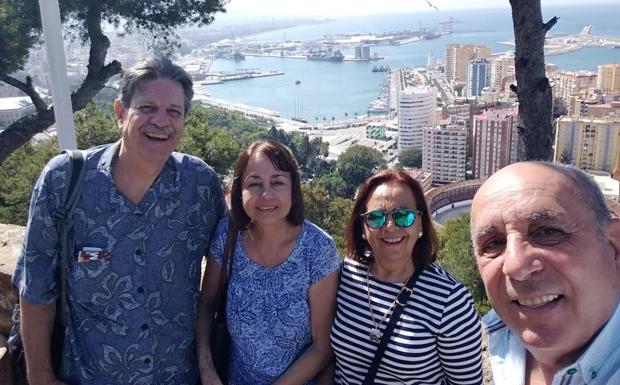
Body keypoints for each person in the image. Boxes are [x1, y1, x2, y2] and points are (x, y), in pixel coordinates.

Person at [11, 57, 227, 385]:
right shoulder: (65, 181)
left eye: (174, 111)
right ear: (120, 113)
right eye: (147, 108)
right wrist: (40, 376)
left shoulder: (200, 185)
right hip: (88, 375)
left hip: (176, 376)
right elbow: (35, 286)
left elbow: (235, 255)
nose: (161, 121)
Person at [196, 140, 340, 385]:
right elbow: (207, 303)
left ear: (293, 188)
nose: (266, 195)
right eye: (254, 183)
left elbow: (321, 346)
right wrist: (207, 368)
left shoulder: (317, 250)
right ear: (240, 189)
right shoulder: (227, 235)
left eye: (277, 182)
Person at [470, 162, 620, 385]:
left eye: (548, 232)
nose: (515, 265)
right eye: (494, 244)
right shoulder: (479, 349)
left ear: (613, 246)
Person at [331, 169, 483, 384]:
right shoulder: (346, 275)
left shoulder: (449, 300)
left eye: (403, 216)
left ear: (420, 223)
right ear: (363, 228)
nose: (390, 227)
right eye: (376, 217)